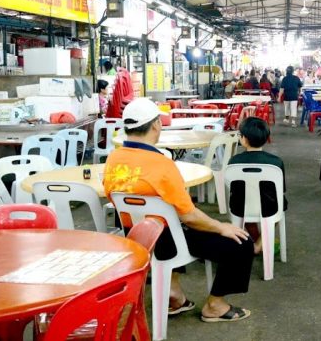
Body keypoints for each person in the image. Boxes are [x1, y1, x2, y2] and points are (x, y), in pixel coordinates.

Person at [103, 98, 254, 322]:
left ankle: (174, 295)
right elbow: (190, 215)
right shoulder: (161, 164)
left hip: (134, 237)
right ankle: (215, 305)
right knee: (241, 242)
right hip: (166, 242)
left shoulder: (114, 158)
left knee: (173, 220)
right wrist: (221, 227)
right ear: (156, 125)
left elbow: (111, 197)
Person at [227, 117, 287, 254]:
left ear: (243, 138)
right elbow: (281, 190)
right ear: (266, 138)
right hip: (270, 207)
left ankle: (256, 242)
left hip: (240, 207)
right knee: (281, 205)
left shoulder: (234, 161)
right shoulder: (276, 162)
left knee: (243, 207)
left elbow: (233, 190)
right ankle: (260, 243)